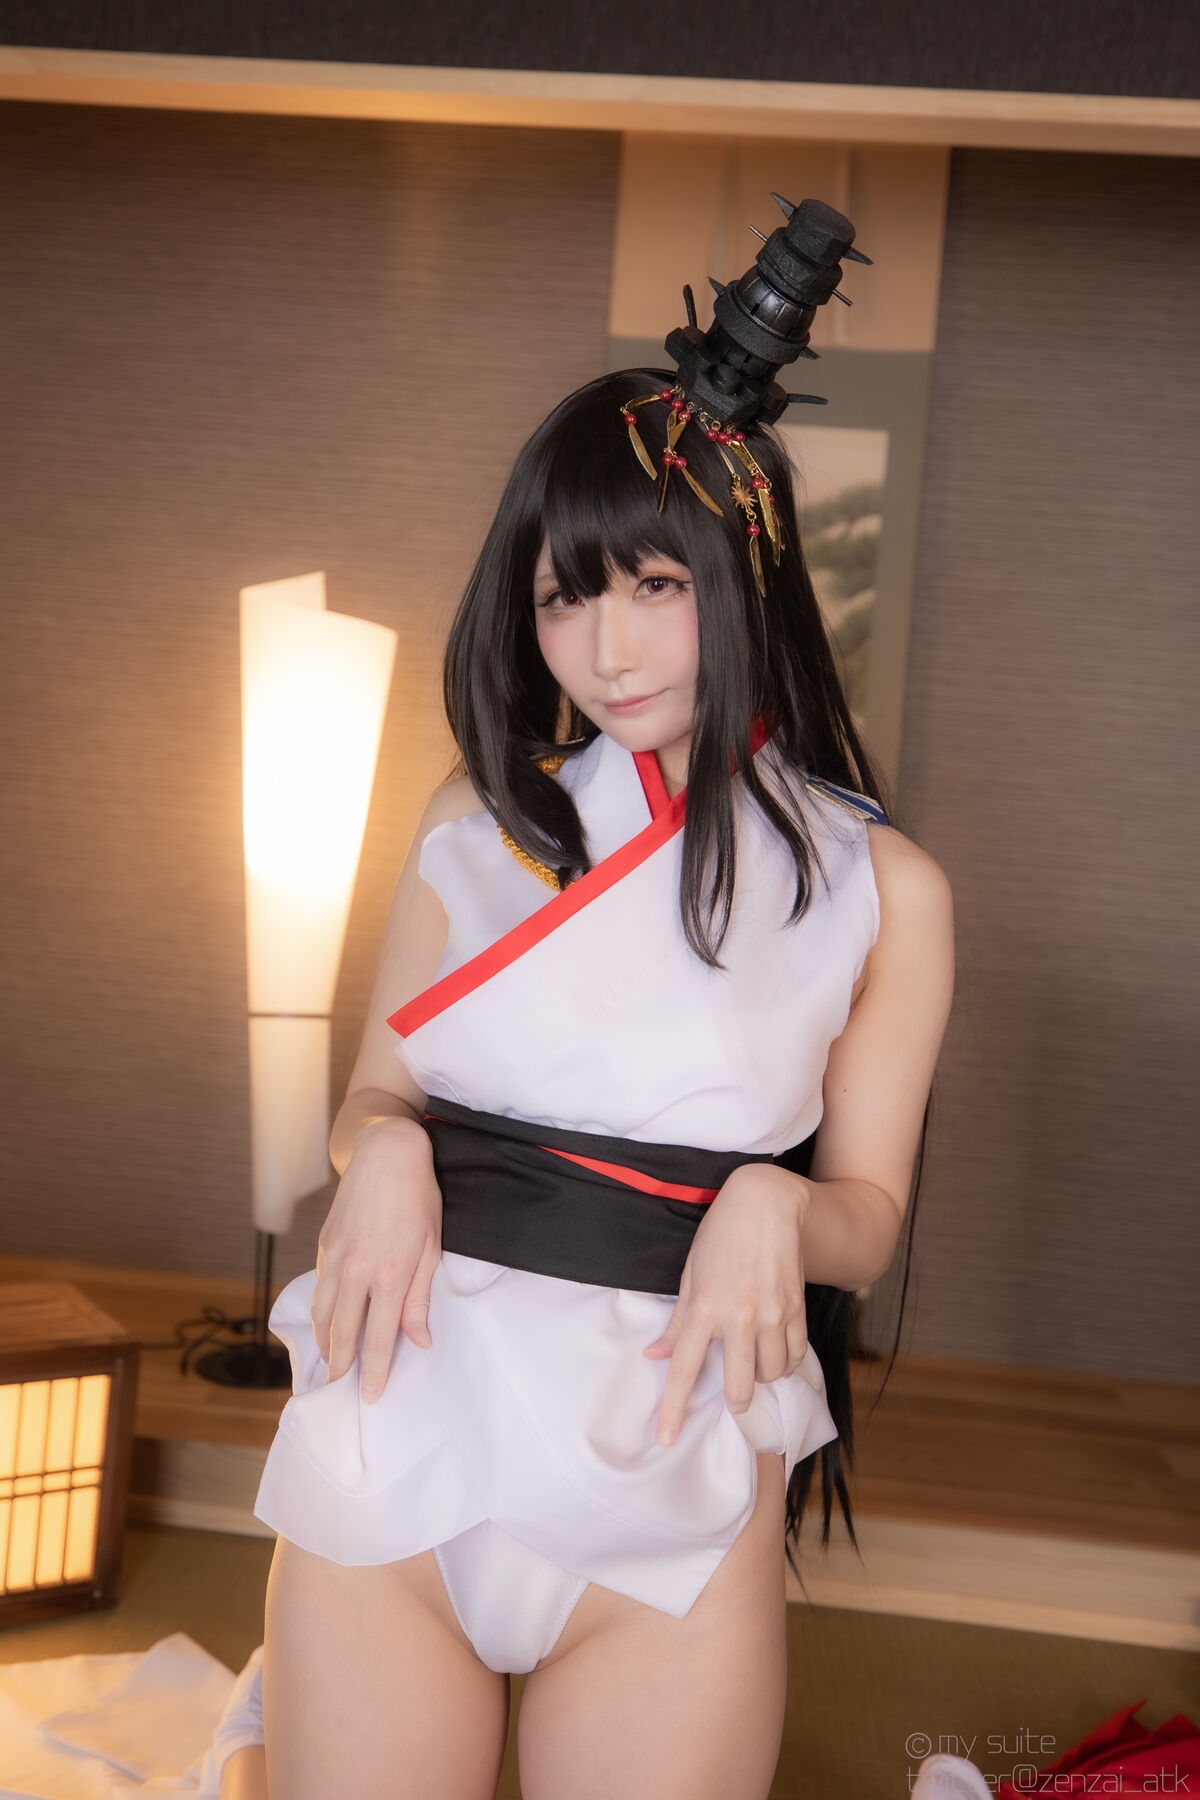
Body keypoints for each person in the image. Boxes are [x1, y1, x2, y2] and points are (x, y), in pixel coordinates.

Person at [224, 204, 955, 1798]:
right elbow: (376, 1098)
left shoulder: (883, 888)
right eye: (564, 598)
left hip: (672, 1457)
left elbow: (871, 1214)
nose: (604, 650)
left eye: (651, 587)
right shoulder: (473, 822)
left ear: (744, 574)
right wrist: (383, 1150)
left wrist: (779, 1203)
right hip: (405, 1403)